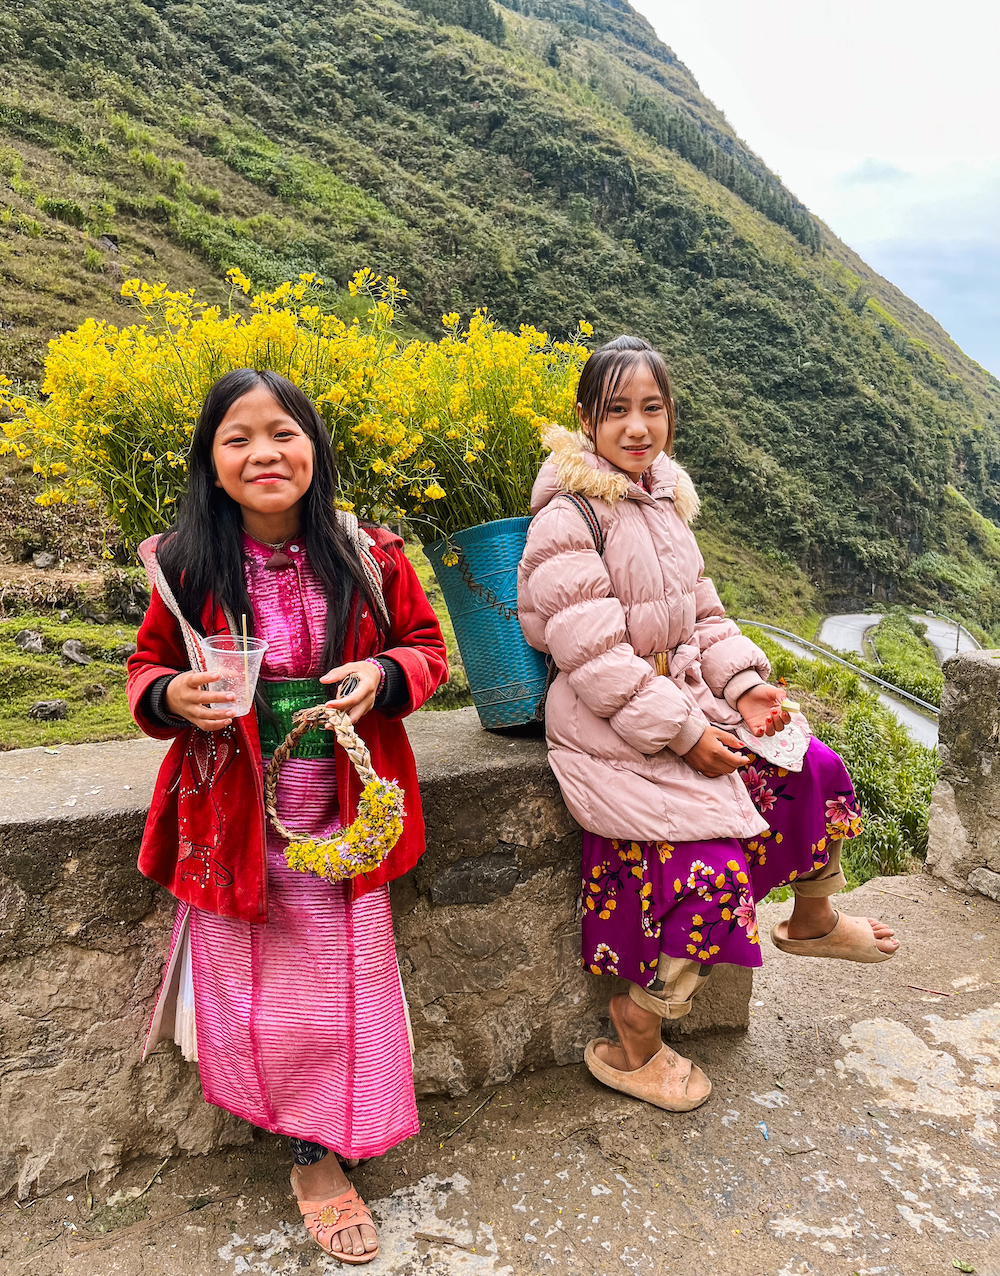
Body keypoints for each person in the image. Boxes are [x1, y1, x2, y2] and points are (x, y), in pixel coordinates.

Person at [517, 336, 898, 1113]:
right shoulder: (568, 516)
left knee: (807, 763)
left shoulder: (665, 505)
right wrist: (685, 733)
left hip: (690, 704)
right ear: (586, 419)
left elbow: (708, 617)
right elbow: (593, 661)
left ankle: (815, 917)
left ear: (671, 416)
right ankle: (636, 1029)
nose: (636, 426)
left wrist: (749, 686)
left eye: (651, 408)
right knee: (709, 873)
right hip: (613, 732)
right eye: (616, 410)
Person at [127, 367, 448, 1264]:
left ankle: (326, 1147)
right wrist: (174, 695)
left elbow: (427, 650)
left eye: (284, 433)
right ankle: (308, 1150)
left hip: (344, 818)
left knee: (347, 997)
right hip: (237, 826)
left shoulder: (369, 555)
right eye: (238, 438)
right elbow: (145, 670)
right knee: (267, 1004)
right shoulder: (186, 568)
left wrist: (382, 676)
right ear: (212, 463)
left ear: (315, 447)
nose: (264, 452)